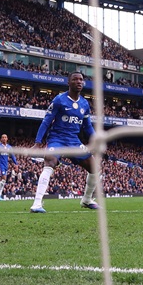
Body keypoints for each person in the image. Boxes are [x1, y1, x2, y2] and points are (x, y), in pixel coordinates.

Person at [30, 71, 101, 212]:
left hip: (74, 141)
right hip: (57, 139)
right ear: (68, 83)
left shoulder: (84, 104)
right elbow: (46, 121)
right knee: (50, 162)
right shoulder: (59, 100)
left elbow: (87, 126)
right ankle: (37, 204)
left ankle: (86, 200)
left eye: (81, 79)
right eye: (75, 79)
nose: (79, 82)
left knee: (95, 168)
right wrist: (38, 142)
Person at [0, 134, 19, 200]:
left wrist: (16, 164)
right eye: (3, 137)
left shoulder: (9, 147)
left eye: (5, 137)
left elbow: (12, 156)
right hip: (0, 165)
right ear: (1, 139)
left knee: (3, 180)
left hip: (6, 165)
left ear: (7, 139)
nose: (4, 138)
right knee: (3, 178)